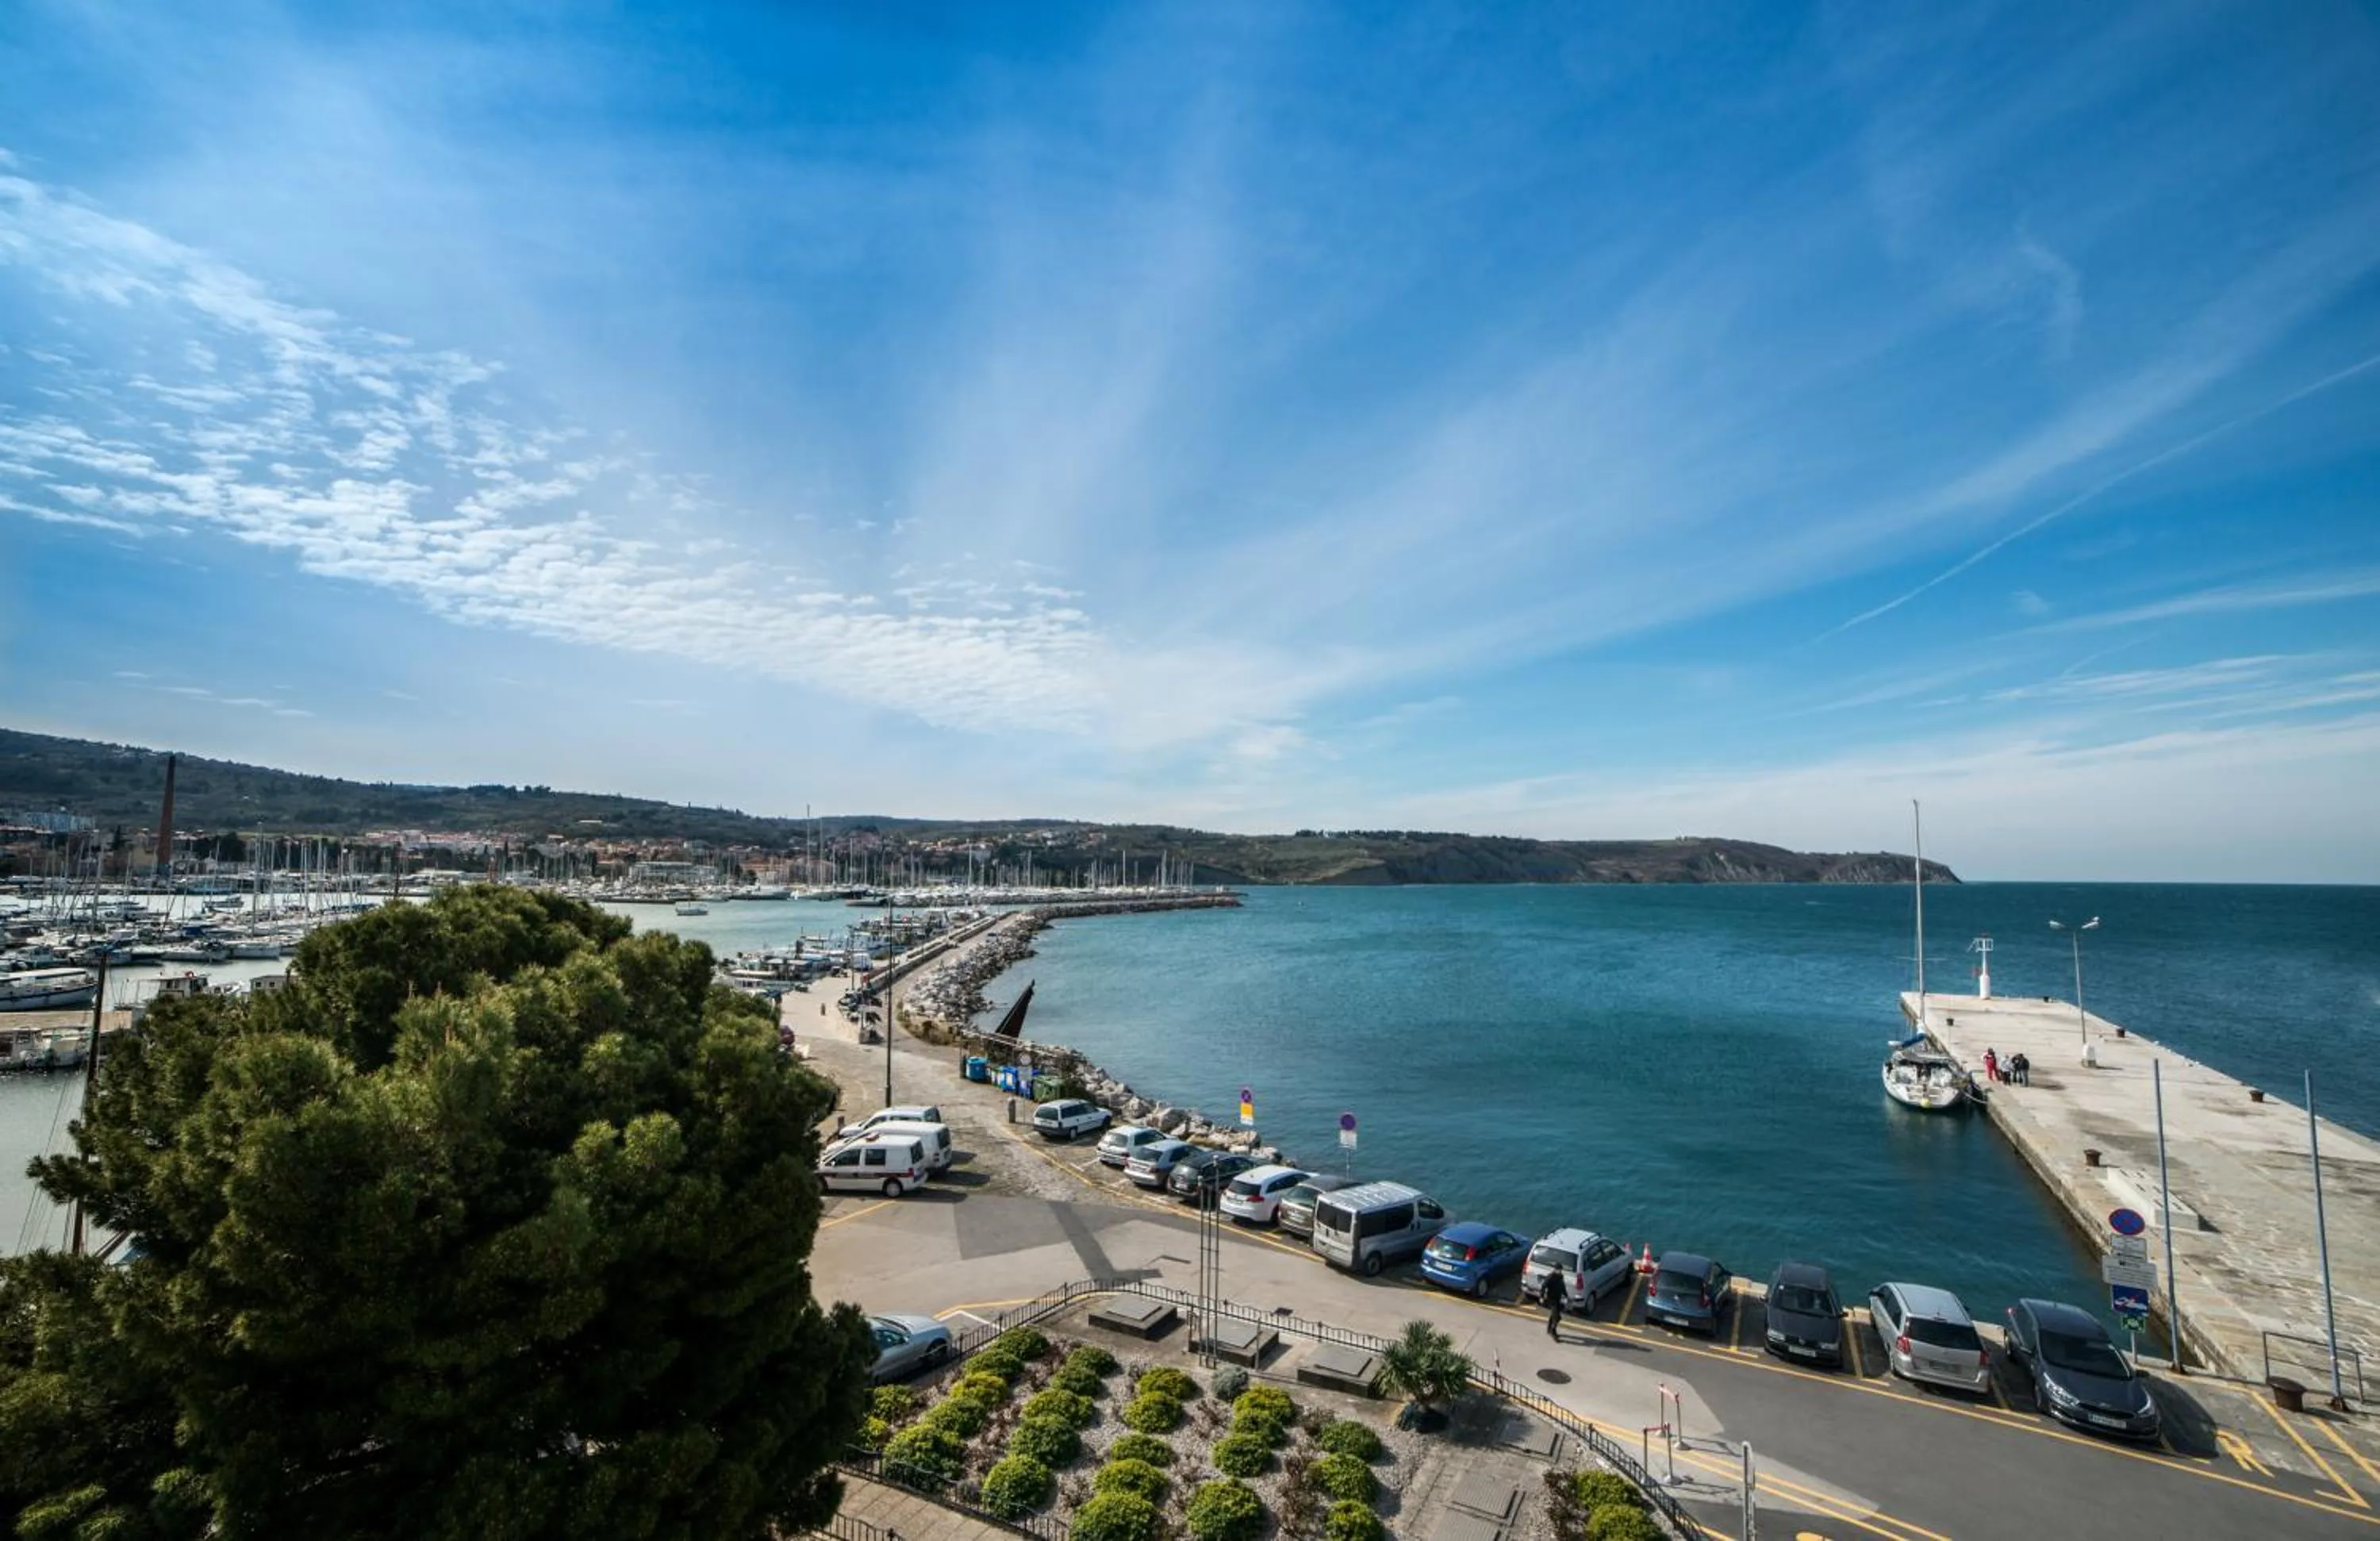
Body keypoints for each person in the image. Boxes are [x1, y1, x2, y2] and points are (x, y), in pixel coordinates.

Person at [1543, 1270, 1568, 1340]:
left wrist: (1566, 1295)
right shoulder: (1551, 1277)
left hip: (1557, 1299)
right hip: (1551, 1299)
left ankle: (1549, 1329)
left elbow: (1562, 1287)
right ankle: (1553, 1332)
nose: (1559, 1271)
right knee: (1556, 1316)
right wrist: (1542, 1295)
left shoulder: (1560, 1277)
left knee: (1555, 1315)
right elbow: (1544, 1285)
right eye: (1558, 1270)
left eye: (1560, 1270)